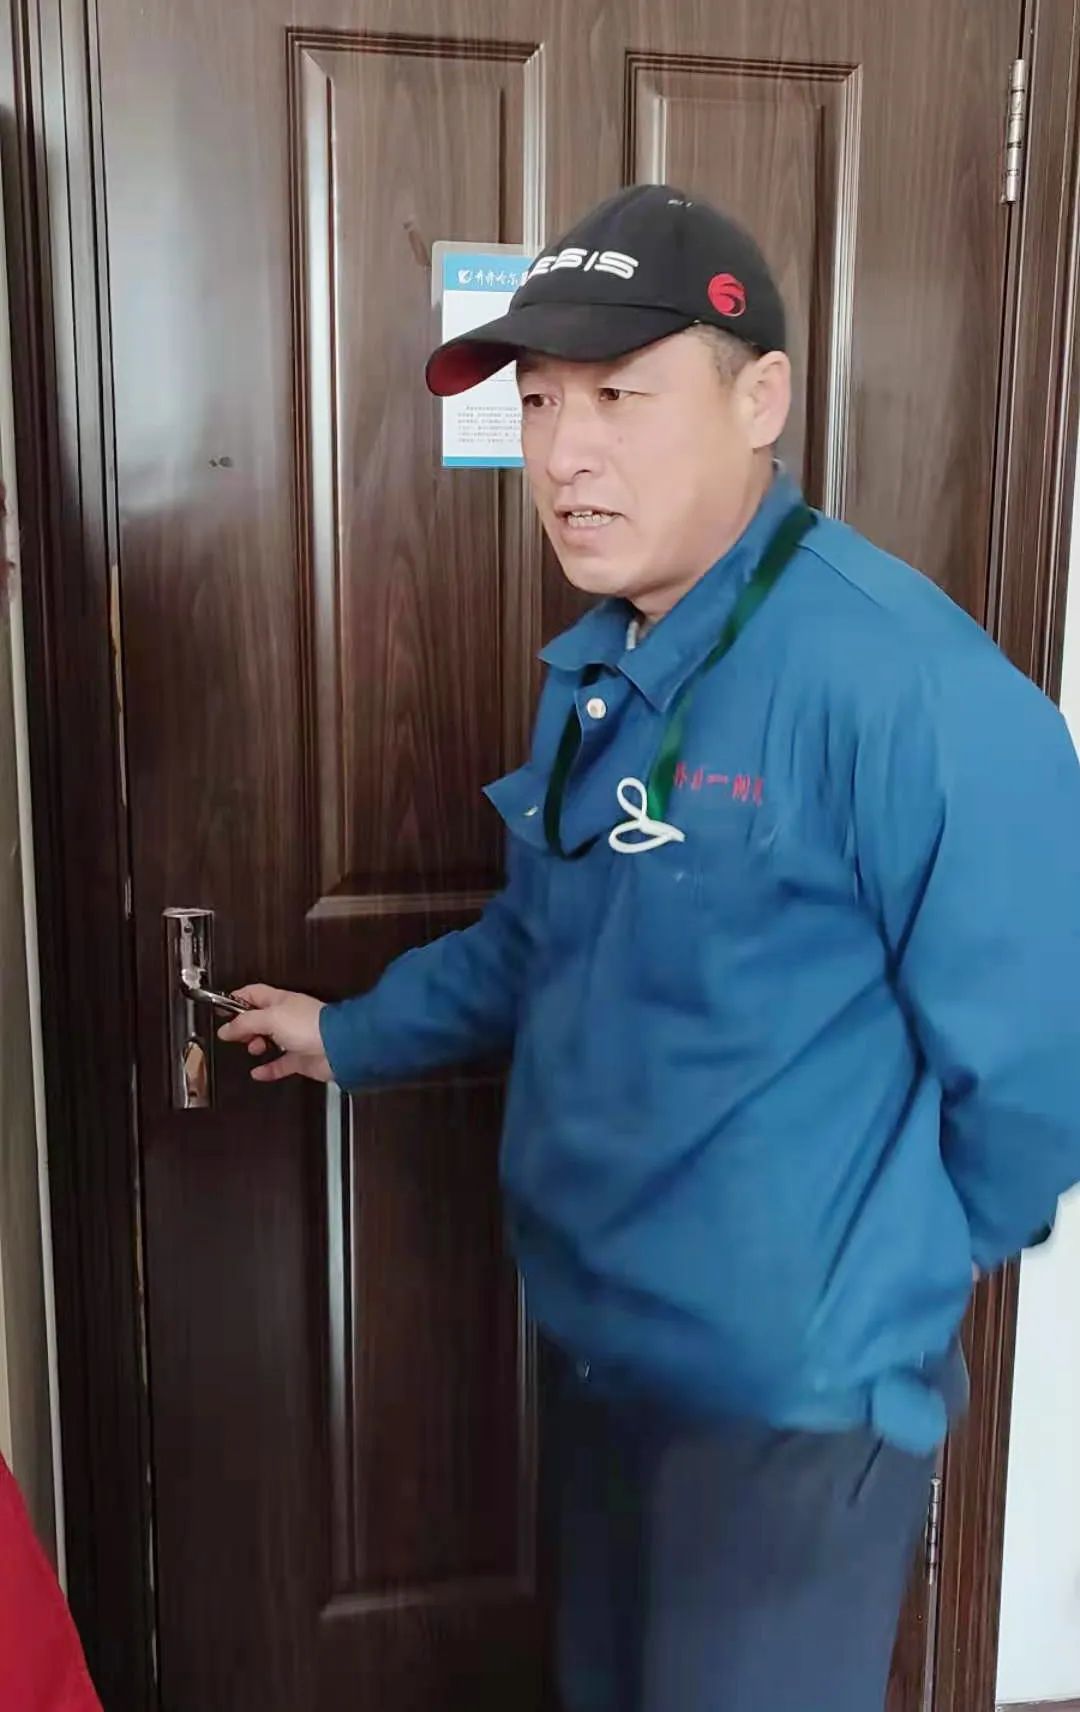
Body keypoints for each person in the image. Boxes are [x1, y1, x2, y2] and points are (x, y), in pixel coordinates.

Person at [219, 186, 1080, 1711]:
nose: (564, 454)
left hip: (787, 1406)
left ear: (762, 400)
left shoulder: (915, 692)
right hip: (603, 1347)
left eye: (619, 395)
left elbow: (1036, 1073)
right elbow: (545, 939)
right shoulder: (607, 665)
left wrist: (884, 1277)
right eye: (540, 402)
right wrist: (345, 1034)